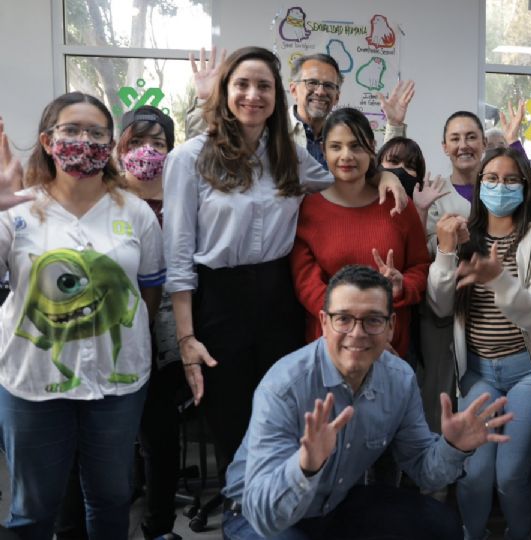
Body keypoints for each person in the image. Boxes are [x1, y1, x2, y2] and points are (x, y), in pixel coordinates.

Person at [163, 47, 407, 481]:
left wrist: (386, 174)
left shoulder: (288, 156)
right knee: (232, 423)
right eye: (242, 84)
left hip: (278, 299)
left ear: (278, 96)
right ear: (225, 91)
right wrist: (186, 338)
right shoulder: (190, 159)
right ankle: (243, 514)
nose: (253, 95)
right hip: (219, 300)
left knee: (285, 417)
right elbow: (178, 259)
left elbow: (344, 175)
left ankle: (282, 511)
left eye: (263, 86)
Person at [221, 265, 514, 539]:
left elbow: (423, 469)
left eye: (373, 320)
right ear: (324, 322)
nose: (357, 333)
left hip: (336, 503)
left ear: (390, 326)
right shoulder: (284, 387)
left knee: (441, 525)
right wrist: (304, 467)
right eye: (343, 319)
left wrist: (453, 447)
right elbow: (263, 516)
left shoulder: (399, 379)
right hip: (254, 514)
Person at [0, 92, 164, 539]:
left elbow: (150, 288)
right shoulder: (16, 211)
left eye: (96, 134)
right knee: (32, 509)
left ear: (110, 147)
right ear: (47, 141)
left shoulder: (134, 213)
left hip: (118, 381)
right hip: (34, 383)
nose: (83, 141)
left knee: (111, 499)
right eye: (71, 130)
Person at [428, 146, 531, 540]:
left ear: (526, 187)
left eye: (511, 180)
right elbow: (440, 307)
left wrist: (497, 278)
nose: (500, 187)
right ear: (478, 185)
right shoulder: (462, 235)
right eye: (491, 179)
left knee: (509, 475)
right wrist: (444, 252)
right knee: (474, 476)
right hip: (478, 375)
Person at [291, 107, 430, 358]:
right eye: (336, 147)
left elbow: (420, 267)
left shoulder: (397, 204)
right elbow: (307, 285)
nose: (347, 156)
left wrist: (402, 286)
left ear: (372, 148)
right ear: (323, 150)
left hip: (392, 346)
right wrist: (354, 329)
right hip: (330, 346)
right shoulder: (308, 209)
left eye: (356, 146)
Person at [116, 105, 186, 540]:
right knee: (113, 439)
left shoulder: (182, 195)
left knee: (161, 437)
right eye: (138, 142)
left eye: (158, 144)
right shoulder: (105, 197)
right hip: (115, 337)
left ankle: (158, 525)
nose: (147, 152)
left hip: (170, 335)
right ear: (120, 147)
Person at [185, 48, 413, 160]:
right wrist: (206, 100)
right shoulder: (266, 126)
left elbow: (379, 168)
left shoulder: (344, 134)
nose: (320, 91)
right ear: (293, 89)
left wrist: (393, 123)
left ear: (337, 96)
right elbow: (205, 149)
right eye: (312, 82)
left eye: (329, 86)